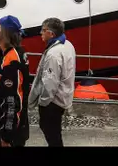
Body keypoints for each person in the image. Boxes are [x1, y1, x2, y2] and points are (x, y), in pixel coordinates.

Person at [0, 15, 30, 147]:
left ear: (5, 33)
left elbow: (13, 100)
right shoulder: (5, 55)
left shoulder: (12, 59)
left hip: (7, 130)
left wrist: (7, 135)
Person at [29, 17, 76, 147]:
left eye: (43, 30)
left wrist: (43, 102)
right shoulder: (68, 45)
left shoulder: (53, 54)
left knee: (50, 131)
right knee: (54, 131)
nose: (40, 33)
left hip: (53, 101)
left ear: (51, 34)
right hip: (63, 96)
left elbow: (50, 82)